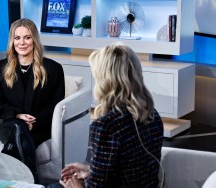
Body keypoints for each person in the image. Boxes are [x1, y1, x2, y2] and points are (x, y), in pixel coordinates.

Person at [58, 44, 164, 187]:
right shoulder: (152, 115)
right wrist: (92, 170)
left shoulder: (106, 126)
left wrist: (76, 186)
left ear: (105, 81)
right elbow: (129, 170)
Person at [0, 18, 65, 183]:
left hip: (40, 126)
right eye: (17, 38)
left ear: (34, 40)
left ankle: (14, 179)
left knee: (11, 146)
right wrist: (18, 116)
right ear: (12, 41)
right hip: (10, 123)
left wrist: (33, 120)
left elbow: (56, 103)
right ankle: (33, 181)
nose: (22, 42)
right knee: (18, 126)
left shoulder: (54, 69)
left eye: (27, 37)